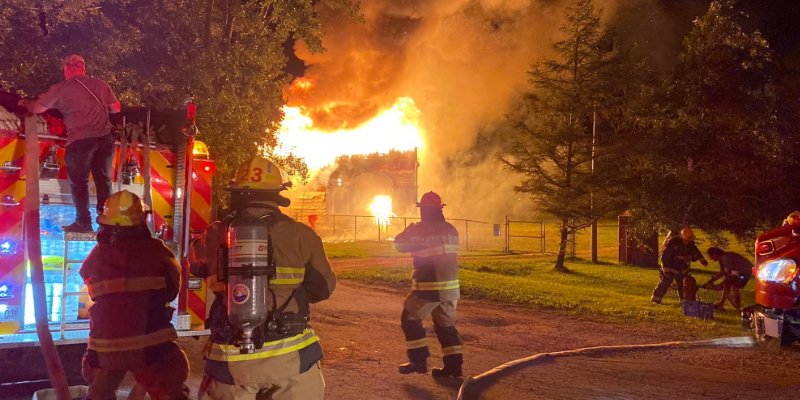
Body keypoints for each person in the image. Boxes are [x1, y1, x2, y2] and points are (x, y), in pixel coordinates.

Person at [189, 156, 335, 400]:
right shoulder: (301, 235)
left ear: (236, 192)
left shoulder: (214, 233)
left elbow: (194, 266)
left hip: (231, 361)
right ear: (278, 194)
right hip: (291, 358)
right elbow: (322, 288)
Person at [79, 190, 189, 400]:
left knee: (99, 393)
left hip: (106, 345)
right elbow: (173, 287)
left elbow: (89, 283)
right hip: (152, 342)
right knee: (167, 390)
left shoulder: (96, 255)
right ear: (141, 221)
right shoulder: (157, 251)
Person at [19, 54, 121, 233]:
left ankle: (83, 222)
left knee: (79, 181)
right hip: (105, 139)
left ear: (66, 67)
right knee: (103, 180)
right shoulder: (101, 85)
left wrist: (25, 102)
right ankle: (107, 222)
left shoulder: (61, 88)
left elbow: (37, 108)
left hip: (81, 140)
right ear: (83, 67)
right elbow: (116, 108)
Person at [394, 191, 463, 378]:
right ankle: (454, 367)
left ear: (423, 209)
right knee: (445, 325)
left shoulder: (419, 229)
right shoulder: (451, 229)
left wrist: (408, 230)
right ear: (440, 209)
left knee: (409, 318)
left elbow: (399, 245)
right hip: (451, 287)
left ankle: (418, 361)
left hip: (428, 287)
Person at [651, 227, 708, 304]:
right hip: (670, 266)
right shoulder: (673, 242)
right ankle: (656, 299)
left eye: (688, 240)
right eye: (685, 240)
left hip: (682, 267)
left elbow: (696, 252)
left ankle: (684, 302)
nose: (687, 242)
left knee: (683, 285)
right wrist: (665, 269)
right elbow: (666, 255)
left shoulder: (691, 244)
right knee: (665, 282)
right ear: (681, 236)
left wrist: (702, 260)